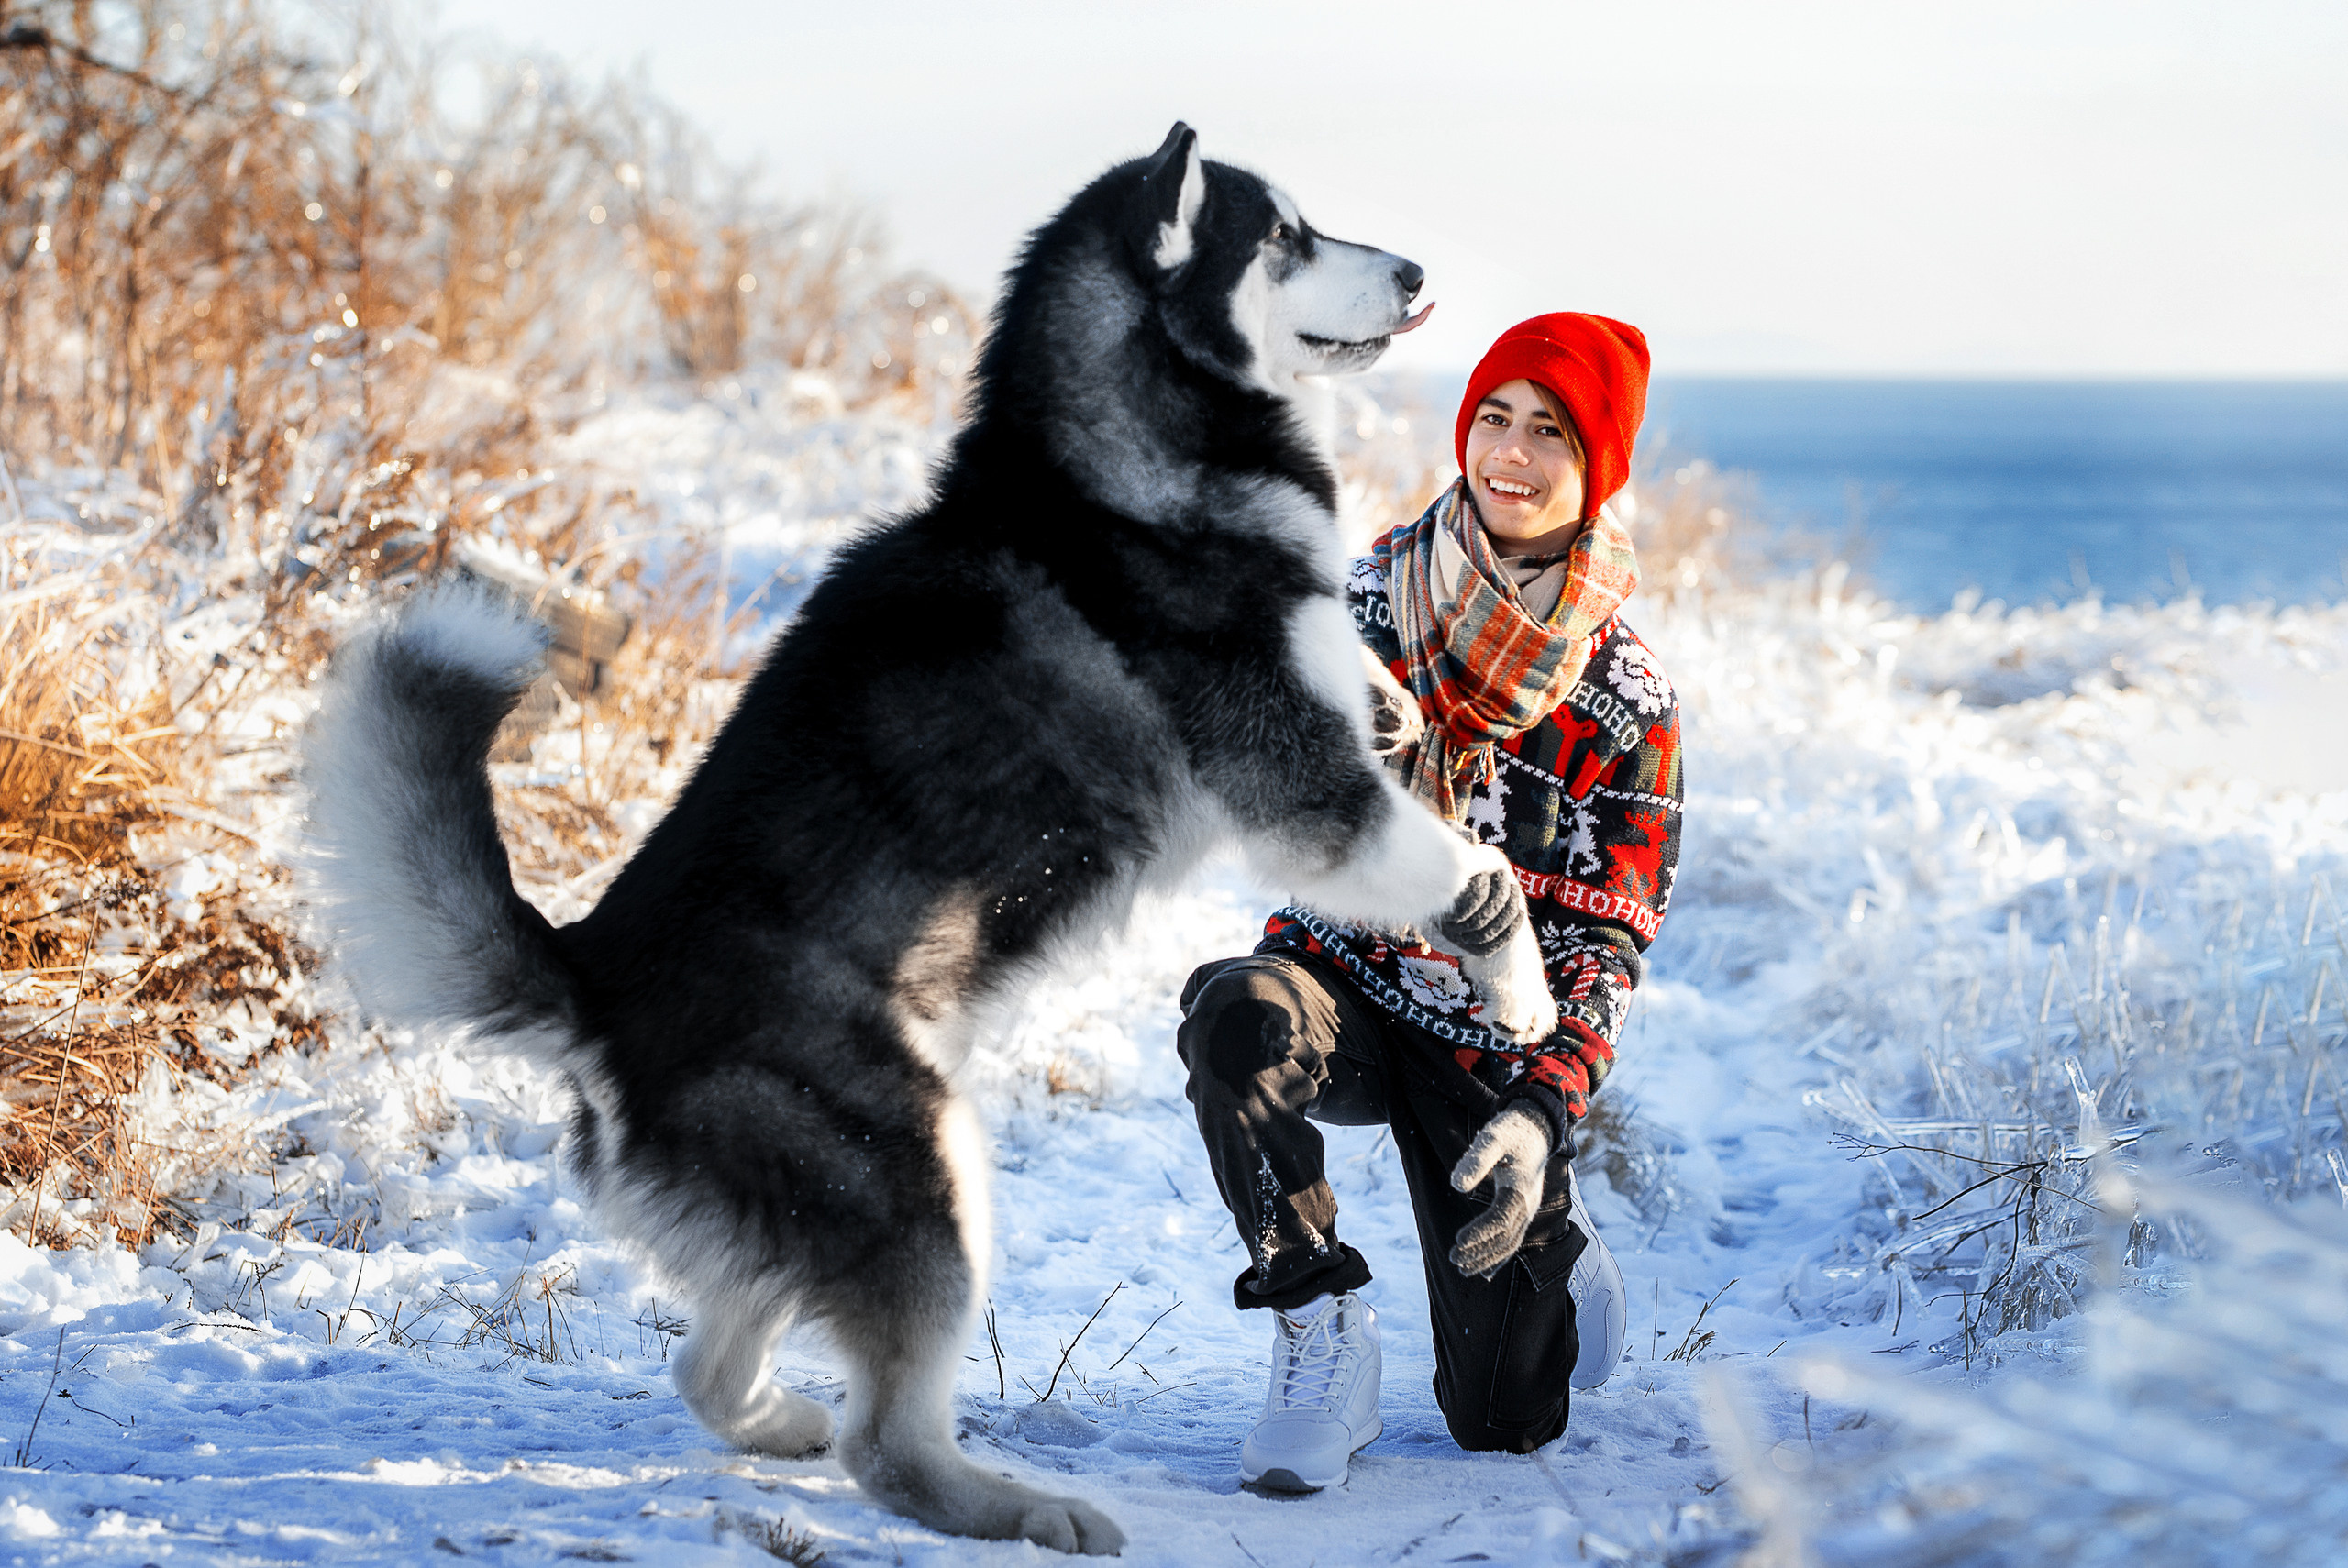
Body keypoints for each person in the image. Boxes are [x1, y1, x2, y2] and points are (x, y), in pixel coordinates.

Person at [1176, 313, 1682, 1490]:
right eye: (1493, 418)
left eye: (1548, 429)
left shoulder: (1628, 697)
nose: (1510, 450)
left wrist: (1543, 1113)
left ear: (1595, 465)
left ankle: (1551, 1229)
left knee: (1503, 1424)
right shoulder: (1366, 609)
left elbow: (1608, 940)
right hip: (1341, 986)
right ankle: (1317, 1328)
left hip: (1490, 1057)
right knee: (1233, 1017)